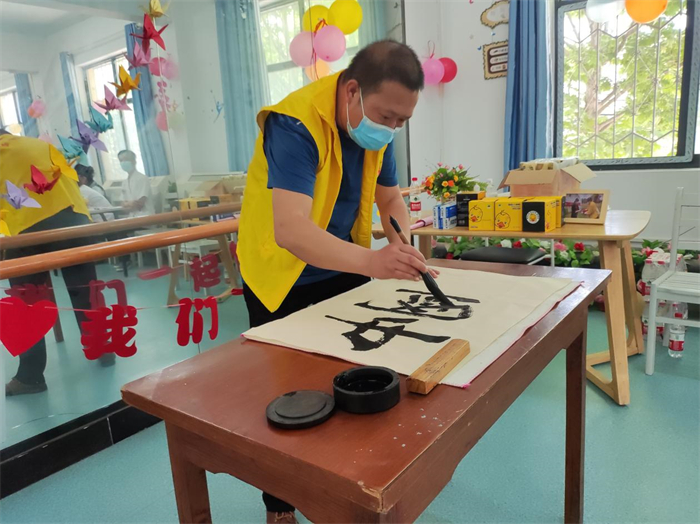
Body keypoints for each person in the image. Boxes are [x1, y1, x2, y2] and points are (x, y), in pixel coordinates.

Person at [237, 40, 434, 524]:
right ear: (352, 91)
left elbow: (390, 202)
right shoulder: (294, 124)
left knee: (355, 376)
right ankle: (280, 503)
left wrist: (403, 244)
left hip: (343, 265)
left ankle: (352, 484)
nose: (391, 129)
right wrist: (374, 261)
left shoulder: (377, 131)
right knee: (289, 397)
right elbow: (292, 230)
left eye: (401, 122)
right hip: (281, 277)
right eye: (386, 115)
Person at [0, 130, 100, 395]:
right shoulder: (35, 143)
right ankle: (102, 348)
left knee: (26, 301)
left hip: (31, 229)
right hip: (76, 219)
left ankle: (30, 377)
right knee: (85, 291)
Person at [118, 150, 154, 217]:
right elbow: (122, 205)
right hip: (132, 217)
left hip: (145, 217)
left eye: (126, 159)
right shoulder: (125, 182)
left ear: (134, 161)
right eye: (121, 160)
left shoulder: (142, 178)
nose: (123, 162)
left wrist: (128, 204)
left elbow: (140, 204)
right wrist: (130, 204)